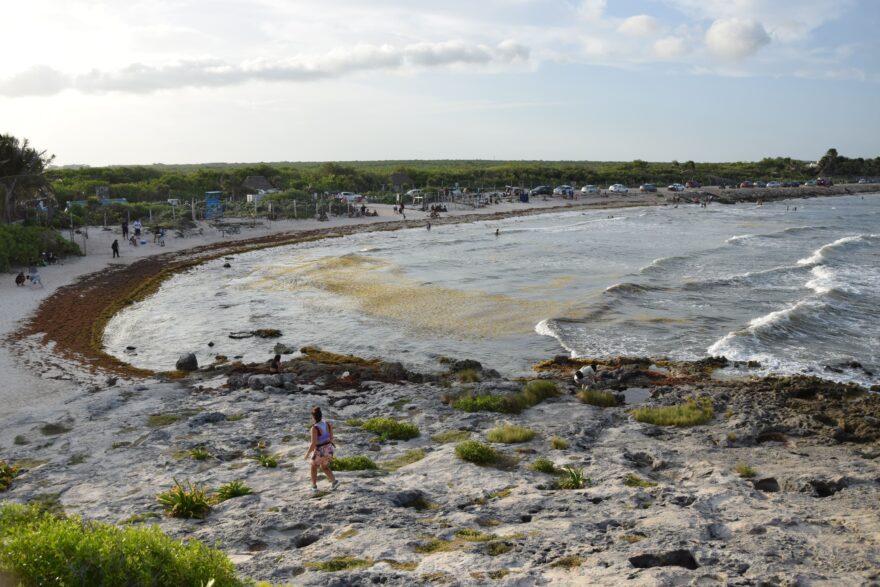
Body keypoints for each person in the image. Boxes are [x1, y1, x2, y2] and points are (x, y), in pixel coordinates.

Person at [304, 406, 339, 494]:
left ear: (313, 417)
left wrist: (307, 454)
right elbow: (331, 438)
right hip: (329, 449)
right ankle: (334, 482)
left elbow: (313, 444)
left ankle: (314, 487)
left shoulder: (314, 428)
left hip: (320, 450)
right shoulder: (328, 424)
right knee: (325, 467)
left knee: (313, 467)